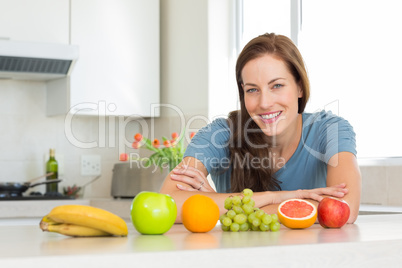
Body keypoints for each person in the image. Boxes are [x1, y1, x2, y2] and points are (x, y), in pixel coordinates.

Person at [160, 33, 361, 224]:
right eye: (252, 90)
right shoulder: (220, 134)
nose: (264, 103)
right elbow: (168, 203)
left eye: (277, 86)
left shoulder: (330, 130)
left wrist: (223, 204)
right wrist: (275, 197)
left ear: (299, 87)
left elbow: (343, 208)